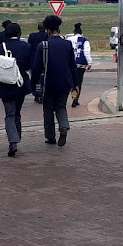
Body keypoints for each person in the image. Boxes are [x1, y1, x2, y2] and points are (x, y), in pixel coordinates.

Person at [31, 15, 79, 147]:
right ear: (59, 28)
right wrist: (75, 84)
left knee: (48, 109)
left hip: (48, 83)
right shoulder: (67, 44)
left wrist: (33, 84)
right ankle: (63, 126)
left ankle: (50, 136)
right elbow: (72, 66)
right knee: (61, 107)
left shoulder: (43, 46)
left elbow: (36, 68)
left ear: (47, 30)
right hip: (65, 83)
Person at [0, 22, 32, 156]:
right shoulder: (26, 46)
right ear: (19, 34)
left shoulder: (0, 47)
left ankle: (12, 141)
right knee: (17, 113)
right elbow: (28, 65)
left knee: (9, 114)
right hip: (20, 83)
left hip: (5, 84)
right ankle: (17, 137)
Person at [66, 22, 92, 107]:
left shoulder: (69, 39)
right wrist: (89, 62)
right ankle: (76, 98)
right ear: (81, 32)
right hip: (81, 64)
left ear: (74, 32)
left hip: (70, 64)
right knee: (79, 81)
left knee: (72, 81)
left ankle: (73, 95)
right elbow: (86, 52)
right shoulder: (85, 40)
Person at [27, 22, 48, 103]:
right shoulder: (47, 36)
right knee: (44, 78)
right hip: (44, 60)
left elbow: (29, 48)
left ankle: (36, 93)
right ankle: (42, 93)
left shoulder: (32, 36)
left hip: (33, 60)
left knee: (34, 77)